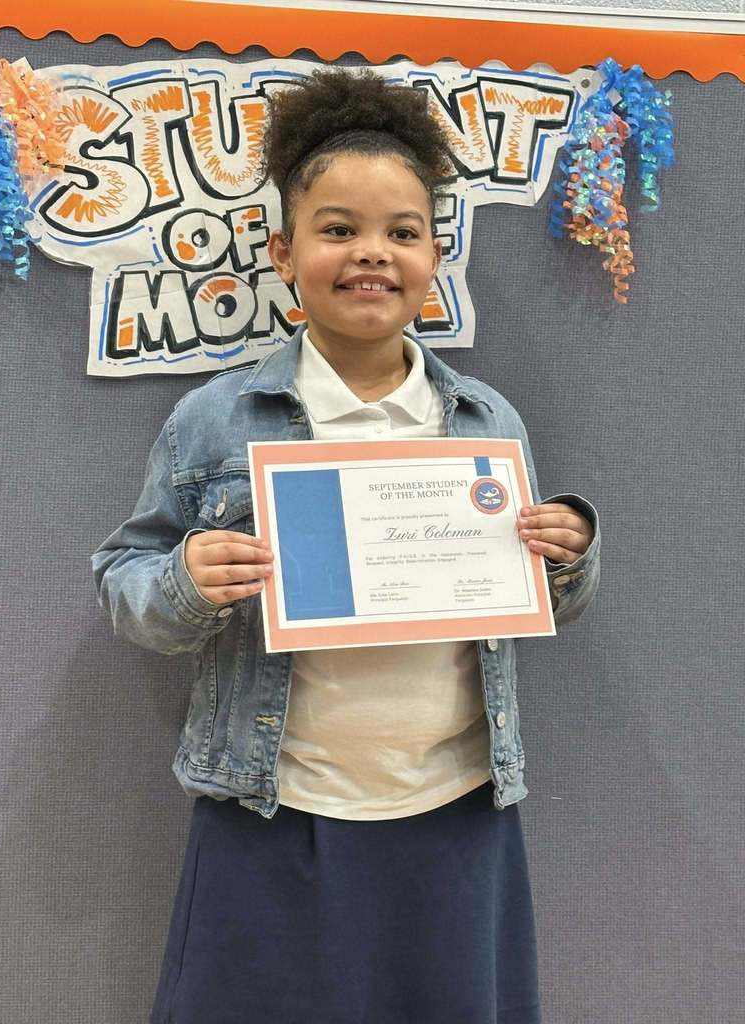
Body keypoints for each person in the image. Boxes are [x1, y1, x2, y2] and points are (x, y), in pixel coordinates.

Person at [92, 67, 600, 1024]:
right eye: (338, 229)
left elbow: (544, 596)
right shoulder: (216, 421)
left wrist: (567, 552)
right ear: (284, 252)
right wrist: (190, 583)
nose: (373, 254)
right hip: (271, 810)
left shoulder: (483, 420)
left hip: (454, 808)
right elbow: (125, 583)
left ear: (436, 253)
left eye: (403, 232)